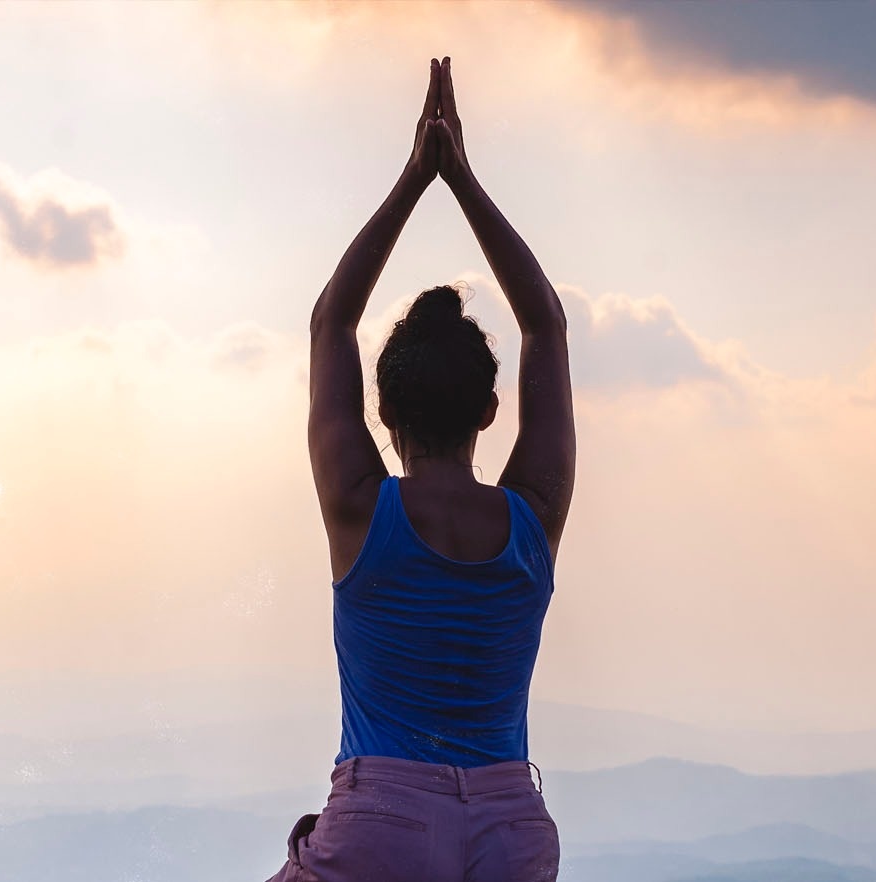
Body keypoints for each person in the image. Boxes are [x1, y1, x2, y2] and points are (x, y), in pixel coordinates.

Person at [269, 57, 575, 882]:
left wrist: (416, 179)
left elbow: (331, 324)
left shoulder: (359, 510)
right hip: (513, 829)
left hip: (383, 827)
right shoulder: (532, 519)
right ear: (489, 411)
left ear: (384, 416)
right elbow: (545, 326)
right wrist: (463, 180)